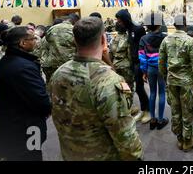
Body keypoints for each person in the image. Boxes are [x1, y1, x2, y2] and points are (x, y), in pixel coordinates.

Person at [50, 17, 143, 161]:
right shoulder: (108, 81)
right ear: (103, 40)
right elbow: (125, 136)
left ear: (75, 41)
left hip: (69, 153)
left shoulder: (59, 73)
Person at [0, 26, 51, 161]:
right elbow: (41, 102)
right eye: (33, 38)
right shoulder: (23, 67)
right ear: (22, 43)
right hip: (26, 128)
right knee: (31, 155)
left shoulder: (9, 60)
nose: (36, 41)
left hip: (14, 123)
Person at [159, 15, 193, 151]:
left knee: (175, 110)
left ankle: (180, 138)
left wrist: (166, 77)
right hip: (186, 82)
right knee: (187, 110)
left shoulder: (166, 40)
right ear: (185, 24)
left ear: (174, 24)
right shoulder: (190, 41)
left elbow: (161, 62)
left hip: (172, 80)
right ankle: (188, 140)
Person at [116, 9, 150, 124]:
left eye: (120, 21)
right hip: (133, 62)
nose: (118, 23)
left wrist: (145, 65)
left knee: (140, 87)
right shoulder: (129, 30)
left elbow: (145, 46)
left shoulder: (138, 29)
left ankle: (147, 111)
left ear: (125, 19)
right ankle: (143, 109)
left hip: (140, 62)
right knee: (137, 88)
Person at [139, 13, 168, 130]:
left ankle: (152, 120)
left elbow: (142, 57)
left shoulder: (143, 39)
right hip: (162, 68)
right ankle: (160, 120)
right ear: (159, 24)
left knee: (152, 93)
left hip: (150, 69)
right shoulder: (165, 37)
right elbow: (168, 55)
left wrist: (144, 71)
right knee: (162, 93)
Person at [42, 13, 79, 83]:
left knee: (51, 86)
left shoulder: (52, 28)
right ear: (76, 21)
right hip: (68, 64)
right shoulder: (74, 29)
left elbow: (47, 41)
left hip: (51, 63)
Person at [110, 21, 136, 114]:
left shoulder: (114, 38)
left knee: (119, 86)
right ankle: (128, 108)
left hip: (115, 64)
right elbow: (129, 54)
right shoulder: (127, 39)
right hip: (125, 65)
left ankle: (120, 107)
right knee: (128, 87)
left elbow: (110, 52)